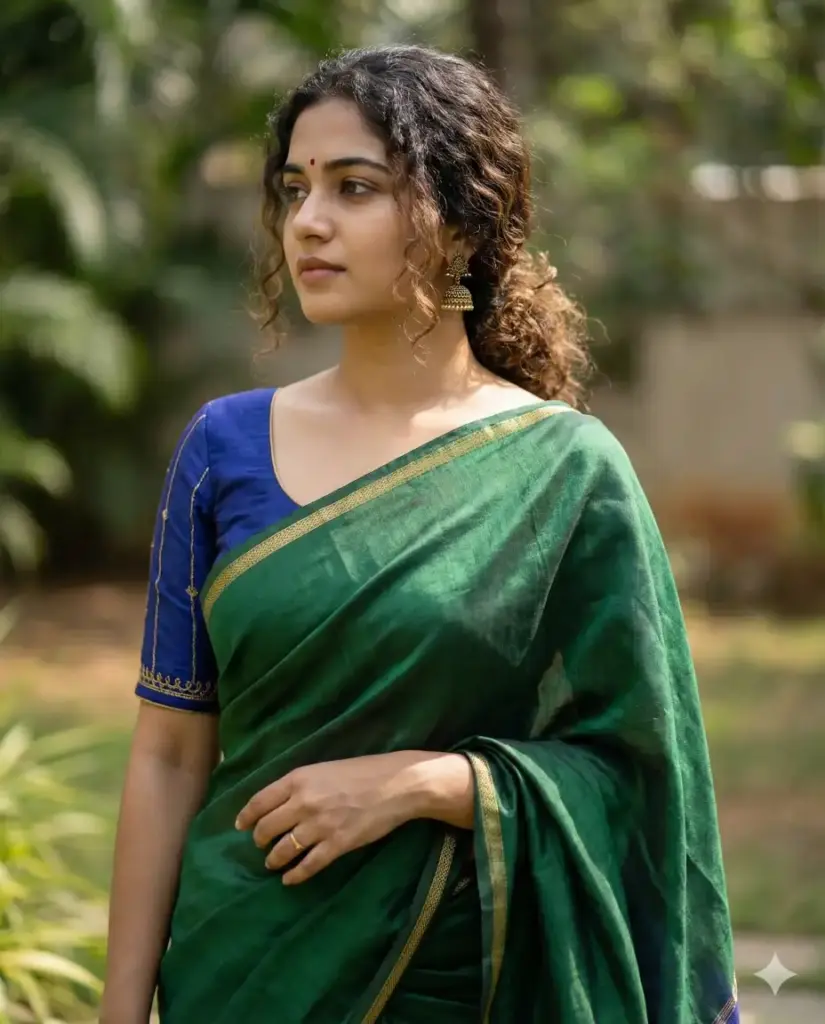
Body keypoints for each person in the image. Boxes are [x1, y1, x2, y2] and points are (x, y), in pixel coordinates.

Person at [101, 44, 739, 1024]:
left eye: (354, 187)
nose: (308, 220)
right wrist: (118, 1012)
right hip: (239, 972)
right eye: (295, 187)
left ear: (458, 221)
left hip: (458, 977)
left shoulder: (565, 471)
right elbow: (170, 754)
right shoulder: (220, 447)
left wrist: (436, 783)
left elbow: (645, 781)